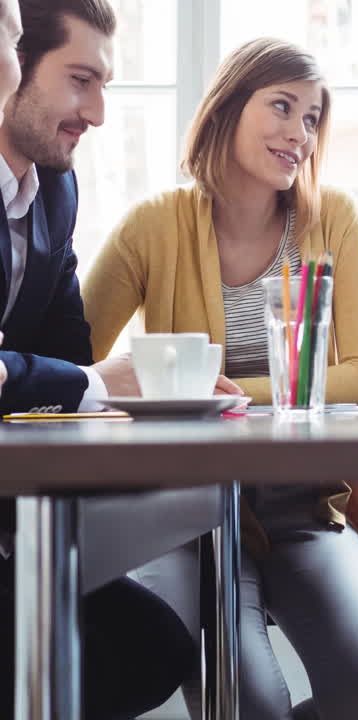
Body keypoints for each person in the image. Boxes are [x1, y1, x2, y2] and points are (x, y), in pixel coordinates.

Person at [80, 38, 358, 719]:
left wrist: (210, 394)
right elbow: (68, 370)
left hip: (304, 509)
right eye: (281, 107)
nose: (299, 134)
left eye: (313, 118)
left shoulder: (333, 221)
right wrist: (137, 388)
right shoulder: (153, 227)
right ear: (228, 108)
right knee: (248, 706)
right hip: (186, 516)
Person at [0, 0, 198, 716]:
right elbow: (77, 377)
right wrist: (85, 384)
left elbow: (63, 352)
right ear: (10, 66)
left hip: (20, 509)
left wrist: (85, 385)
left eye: (106, 83)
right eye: (81, 79)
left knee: (156, 649)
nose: (99, 112)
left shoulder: (56, 187)